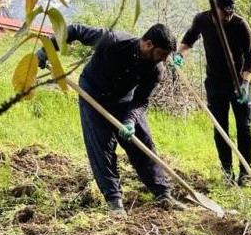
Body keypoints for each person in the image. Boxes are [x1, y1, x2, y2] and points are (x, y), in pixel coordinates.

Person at [36, 23, 183, 217]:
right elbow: (73, 31)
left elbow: (141, 100)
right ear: (148, 44)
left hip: (124, 100)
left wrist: (130, 121)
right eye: (162, 53)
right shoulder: (113, 40)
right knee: (101, 145)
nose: (164, 59)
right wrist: (47, 48)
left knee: (142, 142)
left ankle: (163, 193)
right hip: (93, 95)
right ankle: (114, 201)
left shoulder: (156, 69)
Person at [174, 0, 251, 185]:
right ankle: (227, 173)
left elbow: (250, 56)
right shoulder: (202, 20)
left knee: (244, 128)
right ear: (213, 8)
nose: (227, 16)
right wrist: (179, 55)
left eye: (230, 12)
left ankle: (245, 173)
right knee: (220, 128)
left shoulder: (239, 24)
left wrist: (245, 84)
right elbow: (188, 40)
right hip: (215, 83)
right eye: (224, 12)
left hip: (239, 84)